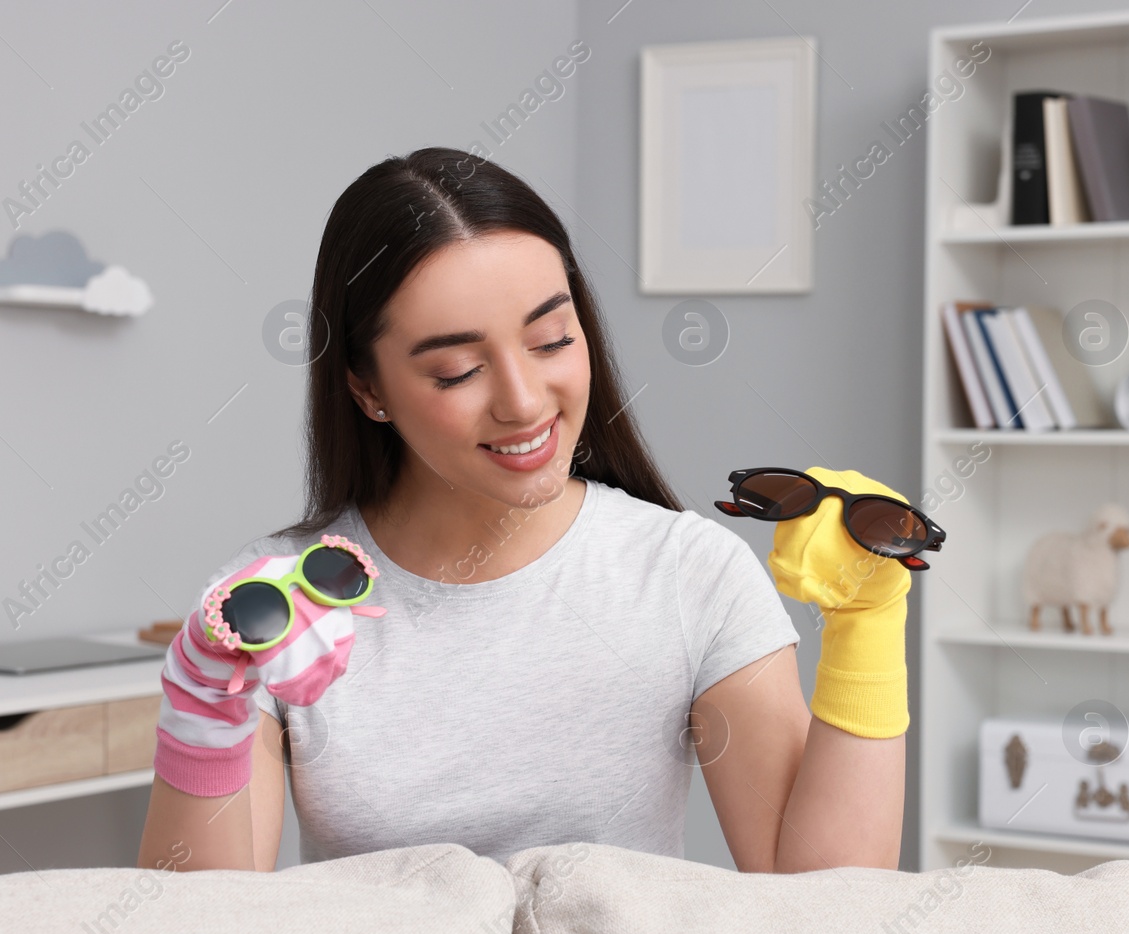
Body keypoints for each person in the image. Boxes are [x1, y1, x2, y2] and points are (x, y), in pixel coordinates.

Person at [136, 146, 908, 874]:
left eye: (550, 340)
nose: (524, 400)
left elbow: (818, 901)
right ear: (367, 389)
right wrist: (206, 712)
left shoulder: (684, 573)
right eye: (459, 370)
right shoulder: (275, 604)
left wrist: (867, 628)